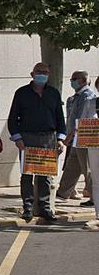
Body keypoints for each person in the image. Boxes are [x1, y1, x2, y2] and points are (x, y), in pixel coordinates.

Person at [7, 62, 67, 222]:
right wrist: (17, 138)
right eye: (39, 71)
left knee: (45, 175)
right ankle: (27, 207)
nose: (42, 74)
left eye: (45, 72)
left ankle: (45, 208)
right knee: (27, 174)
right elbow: (13, 118)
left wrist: (60, 139)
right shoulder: (21, 93)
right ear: (32, 74)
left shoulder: (53, 93)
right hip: (27, 138)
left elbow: (60, 118)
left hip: (48, 138)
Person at [57, 71, 96, 206]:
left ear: (84, 80)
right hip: (75, 138)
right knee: (72, 166)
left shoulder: (87, 96)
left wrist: (68, 137)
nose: (72, 81)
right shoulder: (75, 97)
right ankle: (63, 192)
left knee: (87, 168)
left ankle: (94, 197)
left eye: (75, 79)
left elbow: (81, 120)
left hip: (84, 138)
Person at [83, 76, 99, 230]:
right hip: (94, 145)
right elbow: (83, 122)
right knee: (97, 180)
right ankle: (98, 215)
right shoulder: (91, 103)